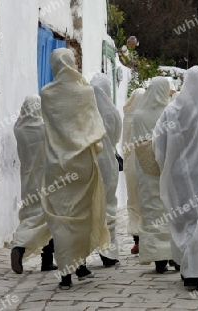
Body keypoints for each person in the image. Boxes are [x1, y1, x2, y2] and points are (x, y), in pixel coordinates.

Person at [41, 48, 110, 290]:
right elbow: (95, 127)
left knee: (61, 217)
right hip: (82, 164)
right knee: (81, 216)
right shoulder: (85, 91)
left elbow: (47, 129)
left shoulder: (46, 93)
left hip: (56, 166)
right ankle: (78, 264)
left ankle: (66, 274)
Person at [153, 66, 198, 290]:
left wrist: (166, 162)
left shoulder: (173, 108)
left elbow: (159, 140)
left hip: (181, 174)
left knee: (184, 219)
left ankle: (188, 268)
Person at [10, 95, 57, 274]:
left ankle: (26, 251)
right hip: (46, 179)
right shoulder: (44, 127)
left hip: (28, 180)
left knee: (30, 214)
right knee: (48, 218)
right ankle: (23, 248)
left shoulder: (18, 128)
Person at [132, 77, 173, 273]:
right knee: (168, 208)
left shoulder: (138, 114)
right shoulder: (170, 111)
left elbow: (135, 141)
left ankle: (157, 257)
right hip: (167, 167)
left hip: (145, 167)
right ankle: (172, 252)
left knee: (151, 209)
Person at [91, 73, 122, 267]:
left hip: (89, 162)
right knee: (109, 205)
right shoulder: (112, 113)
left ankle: (84, 251)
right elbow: (117, 136)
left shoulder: (84, 109)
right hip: (108, 163)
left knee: (89, 205)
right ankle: (108, 251)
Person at [122, 88, 146, 255]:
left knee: (133, 202)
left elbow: (124, 143)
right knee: (147, 201)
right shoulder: (147, 117)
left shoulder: (127, 118)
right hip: (146, 164)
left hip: (131, 163)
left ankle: (137, 240)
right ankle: (148, 238)